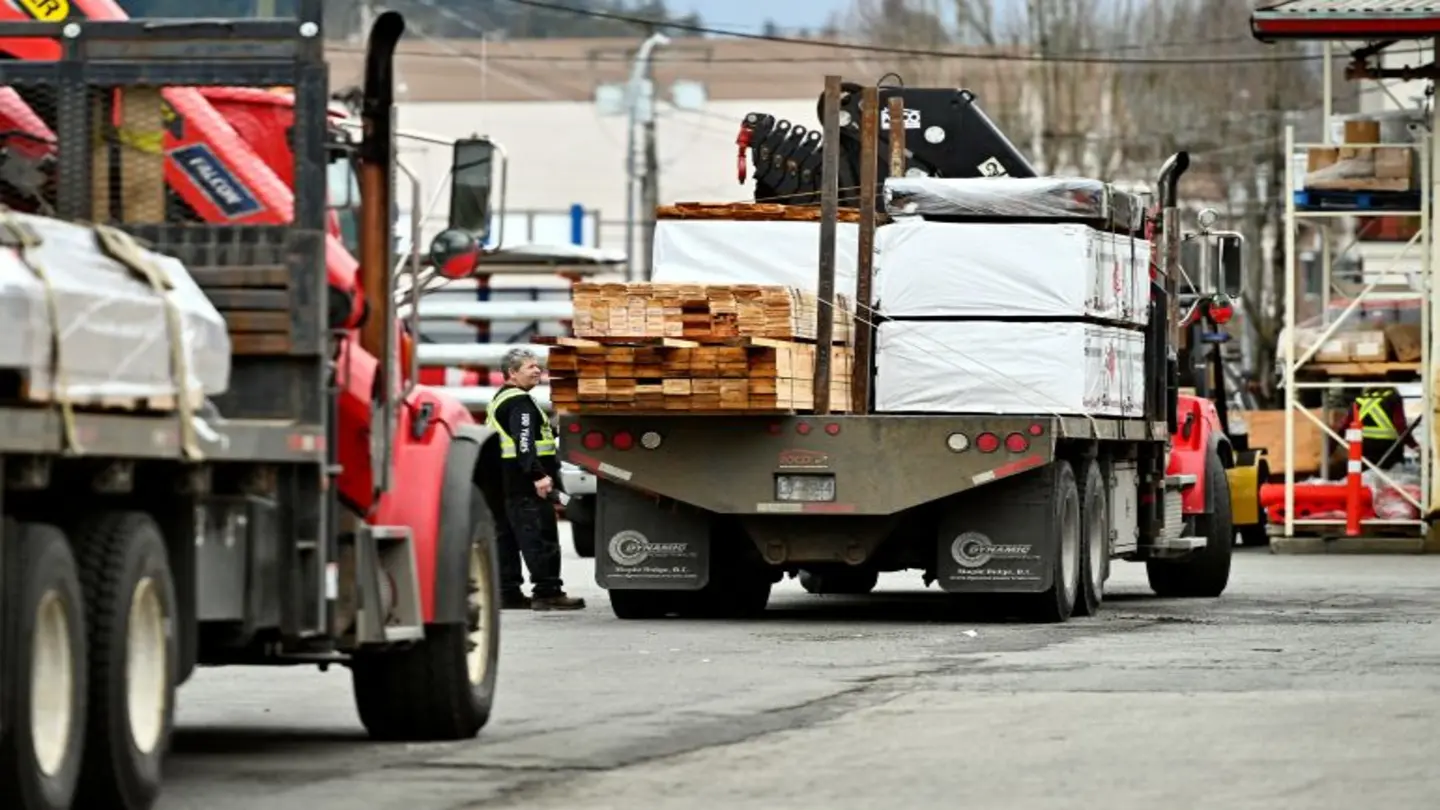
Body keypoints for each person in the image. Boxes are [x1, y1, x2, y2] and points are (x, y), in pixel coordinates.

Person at [484, 347, 586, 611]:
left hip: (503, 481)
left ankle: (507, 592)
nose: (538, 370)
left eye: (538, 366)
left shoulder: (501, 398)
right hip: (525, 483)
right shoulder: (520, 402)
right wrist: (538, 475)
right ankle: (548, 591)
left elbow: (525, 436)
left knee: (506, 537)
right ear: (512, 373)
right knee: (539, 535)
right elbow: (524, 442)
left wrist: (554, 426)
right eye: (531, 367)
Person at [1353, 385, 1417, 470]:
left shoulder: (1360, 400)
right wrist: (1414, 445)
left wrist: (1334, 446)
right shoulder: (1393, 398)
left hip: (1365, 446)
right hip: (1389, 447)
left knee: (1366, 472)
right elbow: (1400, 425)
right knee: (1390, 474)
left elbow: (1346, 425)